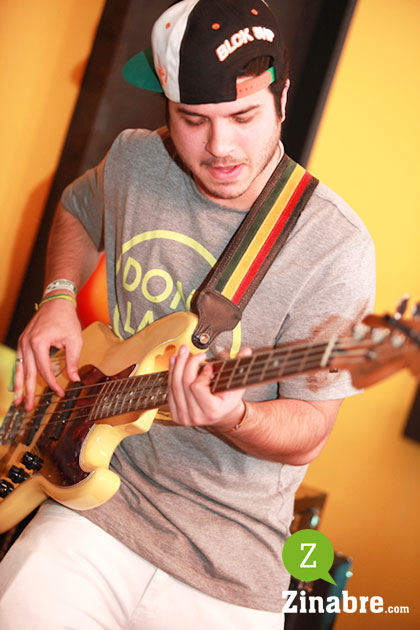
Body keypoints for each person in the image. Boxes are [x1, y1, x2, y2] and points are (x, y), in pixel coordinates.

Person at [0, 1, 375, 628]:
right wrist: (59, 297)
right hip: (92, 501)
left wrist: (237, 417)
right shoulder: (136, 160)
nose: (220, 147)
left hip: (229, 559)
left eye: (243, 117)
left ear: (282, 100)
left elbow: (310, 428)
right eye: (193, 120)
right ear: (167, 107)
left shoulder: (334, 246)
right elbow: (76, 209)